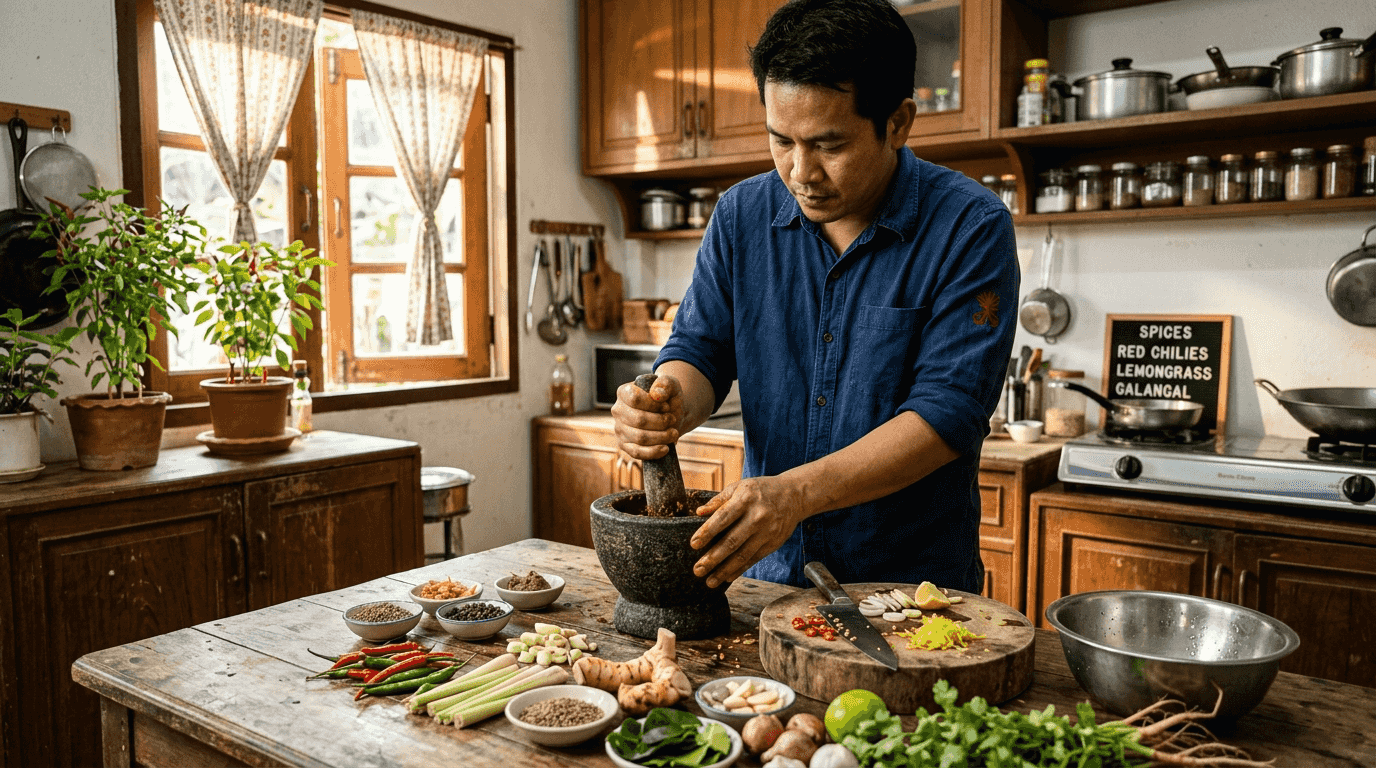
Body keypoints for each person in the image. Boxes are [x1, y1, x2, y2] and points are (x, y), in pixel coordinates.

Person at [610, 0, 1019, 595]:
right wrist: (668, 403)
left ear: (898, 123)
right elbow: (700, 350)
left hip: (911, 591)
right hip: (767, 581)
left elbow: (948, 414)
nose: (801, 172)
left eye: (830, 145)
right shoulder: (740, 215)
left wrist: (795, 493)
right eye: (781, 141)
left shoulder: (970, 225)